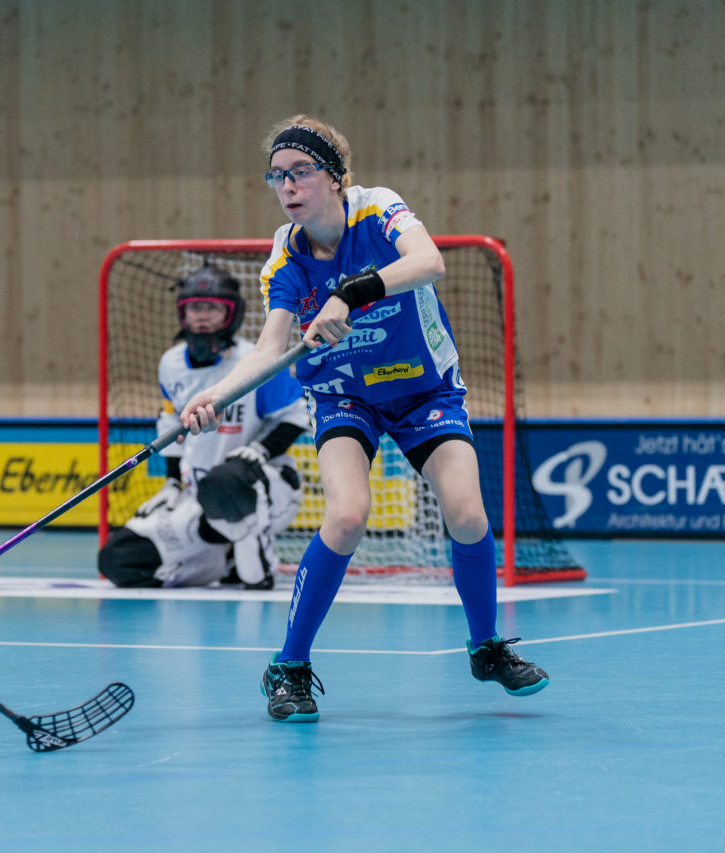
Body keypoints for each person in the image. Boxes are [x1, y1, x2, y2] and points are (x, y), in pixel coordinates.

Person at [179, 114, 549, 723]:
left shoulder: (377, 210)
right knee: (348, 516)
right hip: (343, 395)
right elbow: (271, 349)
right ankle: (288, 666)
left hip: (424, 391)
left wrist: (350, 292)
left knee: (466, 513)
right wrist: (215, 395)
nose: (287, 185)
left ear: (335, 176)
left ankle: (486, 649)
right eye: (277, 176)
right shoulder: (286, 254)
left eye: (301, 171)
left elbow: (429, 262)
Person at [98, 264, 310, 590]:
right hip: (198, 498)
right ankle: (219, 560)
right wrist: (172, 482)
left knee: (225, 481)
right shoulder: (171, 364)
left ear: (232, 313)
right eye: (195, 307)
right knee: (118, 559)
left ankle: (255, 564)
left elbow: (297, 415)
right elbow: (171, 424)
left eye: (213, 308)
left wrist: (259, 451)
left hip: (260, 487)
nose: (202, 316)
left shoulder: (253, 361)